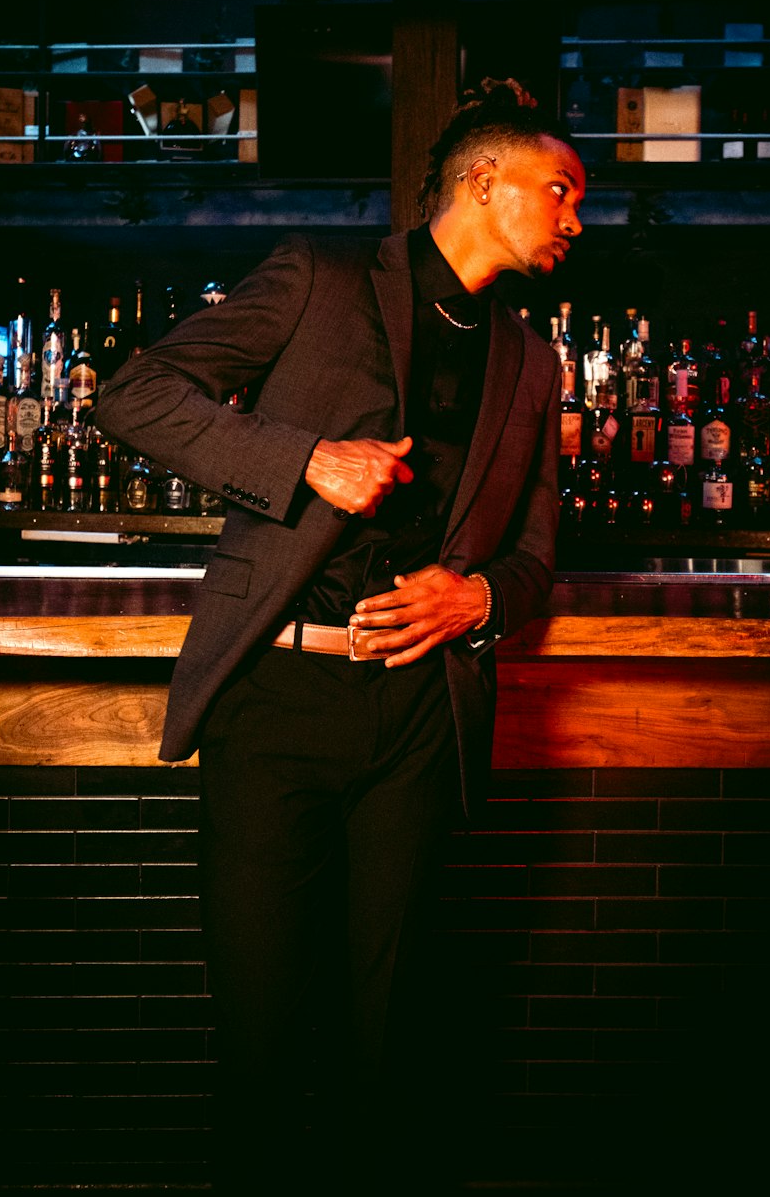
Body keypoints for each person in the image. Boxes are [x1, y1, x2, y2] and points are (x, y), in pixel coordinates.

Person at [95, 77, 586, 1194]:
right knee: (263, 1038)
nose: (573, 219)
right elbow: (133, 394)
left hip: (421, 716)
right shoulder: (318, 281)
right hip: (278, 704)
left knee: (392, 1044)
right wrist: (301, 459)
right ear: (481, 181)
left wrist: (485, 602)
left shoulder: (532, 358)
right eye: (559, 191)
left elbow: (533, 556)